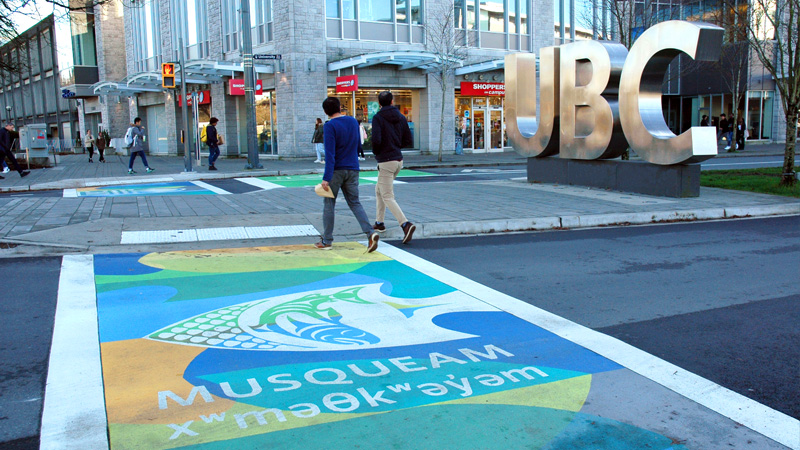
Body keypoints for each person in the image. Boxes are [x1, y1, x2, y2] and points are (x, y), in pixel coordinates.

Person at [315, 96, 379, 252]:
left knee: (329, 203)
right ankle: (370, 233)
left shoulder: (329, 126)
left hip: (336, 170)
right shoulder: (352, 121)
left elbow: (330, 154)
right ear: (339, 107)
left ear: (325, 111)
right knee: (355, 202)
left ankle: (327, 240)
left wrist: (326, 178)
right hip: (353, 168)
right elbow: (358, 145)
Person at [370, 91, 416, 244]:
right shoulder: (401, 117)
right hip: (398, 160)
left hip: (386, 161)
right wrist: (396, 146)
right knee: (379, 190)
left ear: (380, 103)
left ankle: (405, 224)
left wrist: (378, 152)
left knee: (387, 195)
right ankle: (379, 223)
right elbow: (408, 139)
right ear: (392, 101)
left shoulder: (378, 118)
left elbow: (376, 139)